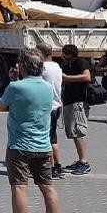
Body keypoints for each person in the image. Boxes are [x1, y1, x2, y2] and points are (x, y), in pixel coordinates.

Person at [0, 49, 63, 213]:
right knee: (48, 187)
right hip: (43, 146)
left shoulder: (16, 87)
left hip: (19, 146)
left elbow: (1, 107)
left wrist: (13, 80)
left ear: (23, 66)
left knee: (19, 187)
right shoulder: (47, 87)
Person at [59, 44, 92, 175]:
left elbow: (87, 77)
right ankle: (80, 160)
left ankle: (84, 162)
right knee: (73, 132)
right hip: (69, 101)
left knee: (78, 132)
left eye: (68, 58)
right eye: (65, 57)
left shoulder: (80, 62)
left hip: (78, 102)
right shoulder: (66, 64)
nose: (66, 60)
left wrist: (67, 78)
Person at [36, 43, 65, 180]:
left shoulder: (43, 68)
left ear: (41, 53)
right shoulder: (57, 66)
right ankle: (58, 165)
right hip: (57, 105)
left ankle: (52, 167)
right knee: (53, 137)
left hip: (47, 107)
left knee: (47, 138)